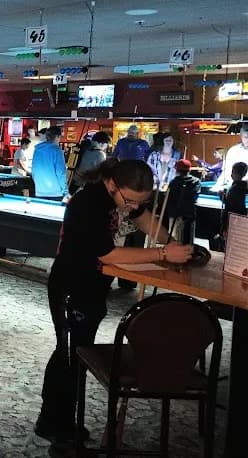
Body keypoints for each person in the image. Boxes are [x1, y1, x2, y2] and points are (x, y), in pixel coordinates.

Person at [36, 159, 192, 452]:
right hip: (70, 287)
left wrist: (172, 244)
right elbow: (107, 254)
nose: (132, 206)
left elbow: (144, 218)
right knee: (70, 357)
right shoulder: (89, 203)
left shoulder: (119, 195)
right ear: (112, 184)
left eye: (139, 200)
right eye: (129, 199)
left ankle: (56, 419)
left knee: (72, 354)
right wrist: (162, 254)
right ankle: (56, 425)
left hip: (92, 289)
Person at [164, 159, 200, 244]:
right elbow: (195, 196)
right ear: (189, 170)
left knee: (174, 239)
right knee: (189, 239)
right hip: (189, 214)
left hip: (175, 214)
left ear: (177, 170)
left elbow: (168, 196)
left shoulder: (173, 182)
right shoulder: (196, 181)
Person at [31, 126, 69, 201]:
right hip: (55, 193)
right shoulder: (57, 150)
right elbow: (61, 172)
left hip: (39, 191)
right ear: (57, 136)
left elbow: (34, 170)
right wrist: (65, 192)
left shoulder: (37, 150)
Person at [213, 123, 248, 193]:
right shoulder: (233, 151)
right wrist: (217, 186)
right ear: (241, 136)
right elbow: (225, 172)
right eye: (246, 137)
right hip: (234, 188)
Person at [221, 161, 248, 237]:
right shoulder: (241, 185)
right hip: (237, 219)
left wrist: (222, 196)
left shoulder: (236, 187)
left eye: (233, 171)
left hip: (233, 220)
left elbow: (232, 205)